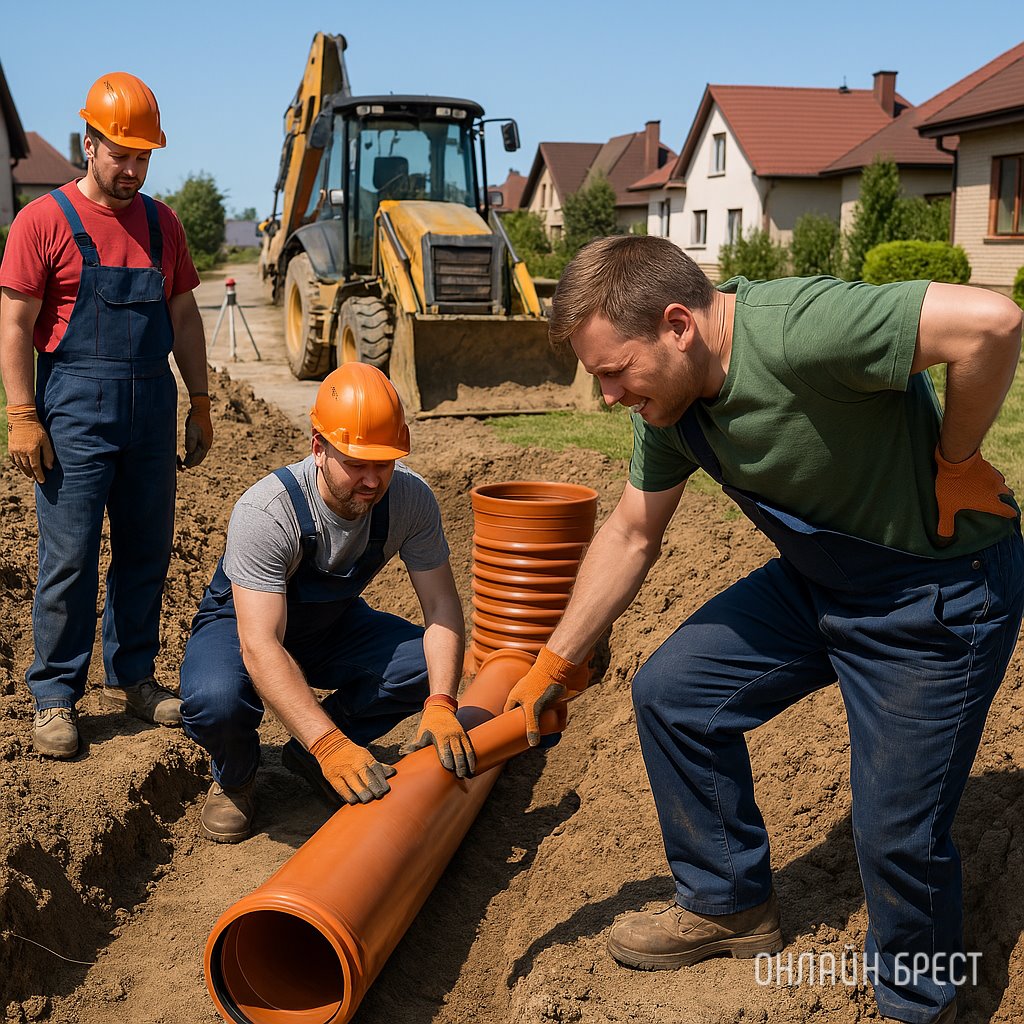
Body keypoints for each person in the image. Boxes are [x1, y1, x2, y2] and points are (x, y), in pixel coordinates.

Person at [504, 235, 1024, 1024]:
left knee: (897, 840)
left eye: (615, 372)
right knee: (674, 693)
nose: (609, 395)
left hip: (937, 595)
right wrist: (553, 664)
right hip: (825, 583)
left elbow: (990, 321)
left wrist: (957, 460)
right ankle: (728, 903)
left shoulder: (799, 330)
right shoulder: (670, 405)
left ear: (678, 324)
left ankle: (921, 1004)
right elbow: (632, 534)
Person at [0, 72, 213, 760]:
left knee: (146, 551)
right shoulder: (43, 221)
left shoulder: (161, 224)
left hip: (151, 405)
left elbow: (183, 315)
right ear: (88, 144)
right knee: (69, 557)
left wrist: (202, 401)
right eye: (120, 154)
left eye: (143, 157)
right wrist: (22, 413)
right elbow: (14, 322)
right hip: (74, 411)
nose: (132, 169)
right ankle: (56, 695)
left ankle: (135, 678)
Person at [179, 361, 474, 844]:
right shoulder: (267, 512)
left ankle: (309, 751)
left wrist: (442, 702)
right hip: (245, 626)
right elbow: (259, 646)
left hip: (328, 625)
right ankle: (236, 776)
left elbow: (442, 608)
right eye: (357, 463)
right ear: (318, 447)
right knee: (216, 701)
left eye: (385, 462)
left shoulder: (410, 501)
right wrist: (330, 744)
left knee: (426, 664)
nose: (373, 481)